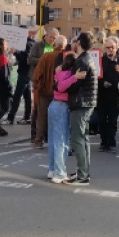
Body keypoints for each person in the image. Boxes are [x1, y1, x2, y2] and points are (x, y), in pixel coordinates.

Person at [48, 53, 88, 183]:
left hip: (54, 105)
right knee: (61, 141)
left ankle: (52, 169)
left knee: (54, 140)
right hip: (62, 106)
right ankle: (59, 173)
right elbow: (61, 87)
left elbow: (57, 83)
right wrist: (75, 77)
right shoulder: (69, 74)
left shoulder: (59, 72)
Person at [65, 32, 98, 185]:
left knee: (77, 138)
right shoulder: (88, 58)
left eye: (75, 41)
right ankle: (83, 172)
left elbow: (74, 85)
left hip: (81, 102)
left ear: (78, 43)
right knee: (83, 139)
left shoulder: (81, 61)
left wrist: (62, 83)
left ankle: (82, 175)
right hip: (88, 102)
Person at [32, 35, 67, 149]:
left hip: (44, 91)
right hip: (60, 92)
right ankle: (57, 140)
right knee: (59, 118)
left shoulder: (46, 56)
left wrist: (37, 86)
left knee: (41, 116)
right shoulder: (66, 58)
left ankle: (38, 141)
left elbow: (37, 75)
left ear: (54, 44)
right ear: (65, 45)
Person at [98, 38, 119, 153]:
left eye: (112, 48)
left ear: (117, 48)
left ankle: (111, 143)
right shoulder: (100, 60)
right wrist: (102, 83)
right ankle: (103, 142)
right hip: (102, 94)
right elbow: (95, 76)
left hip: (115, 94)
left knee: (113, 120)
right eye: (107, 48)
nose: (109, 50)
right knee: (102, 120)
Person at [8, 40, 33, 126]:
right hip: (26, 74)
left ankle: (11, 117)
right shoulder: (28, 44)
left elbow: (25, 58)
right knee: (27, 97)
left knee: (17, 96)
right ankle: (27, 117)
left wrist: (15, 53)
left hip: (24, 74)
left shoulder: (27, 45)